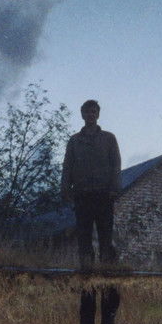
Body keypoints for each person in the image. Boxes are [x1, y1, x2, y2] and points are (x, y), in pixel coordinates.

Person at [61, 100, 121, 269]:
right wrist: (65, 189)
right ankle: (86, 272)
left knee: (105, 236)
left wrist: (114, 189)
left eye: (93, 111)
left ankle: (107, 271)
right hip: (82, 195)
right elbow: (67, 166)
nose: (90, 115)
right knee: (84, 237)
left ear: (98, 114)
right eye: (87, 112)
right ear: (82, 114)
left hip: (104, 194)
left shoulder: (109, 138)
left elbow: (116, 164)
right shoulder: (74, 141)